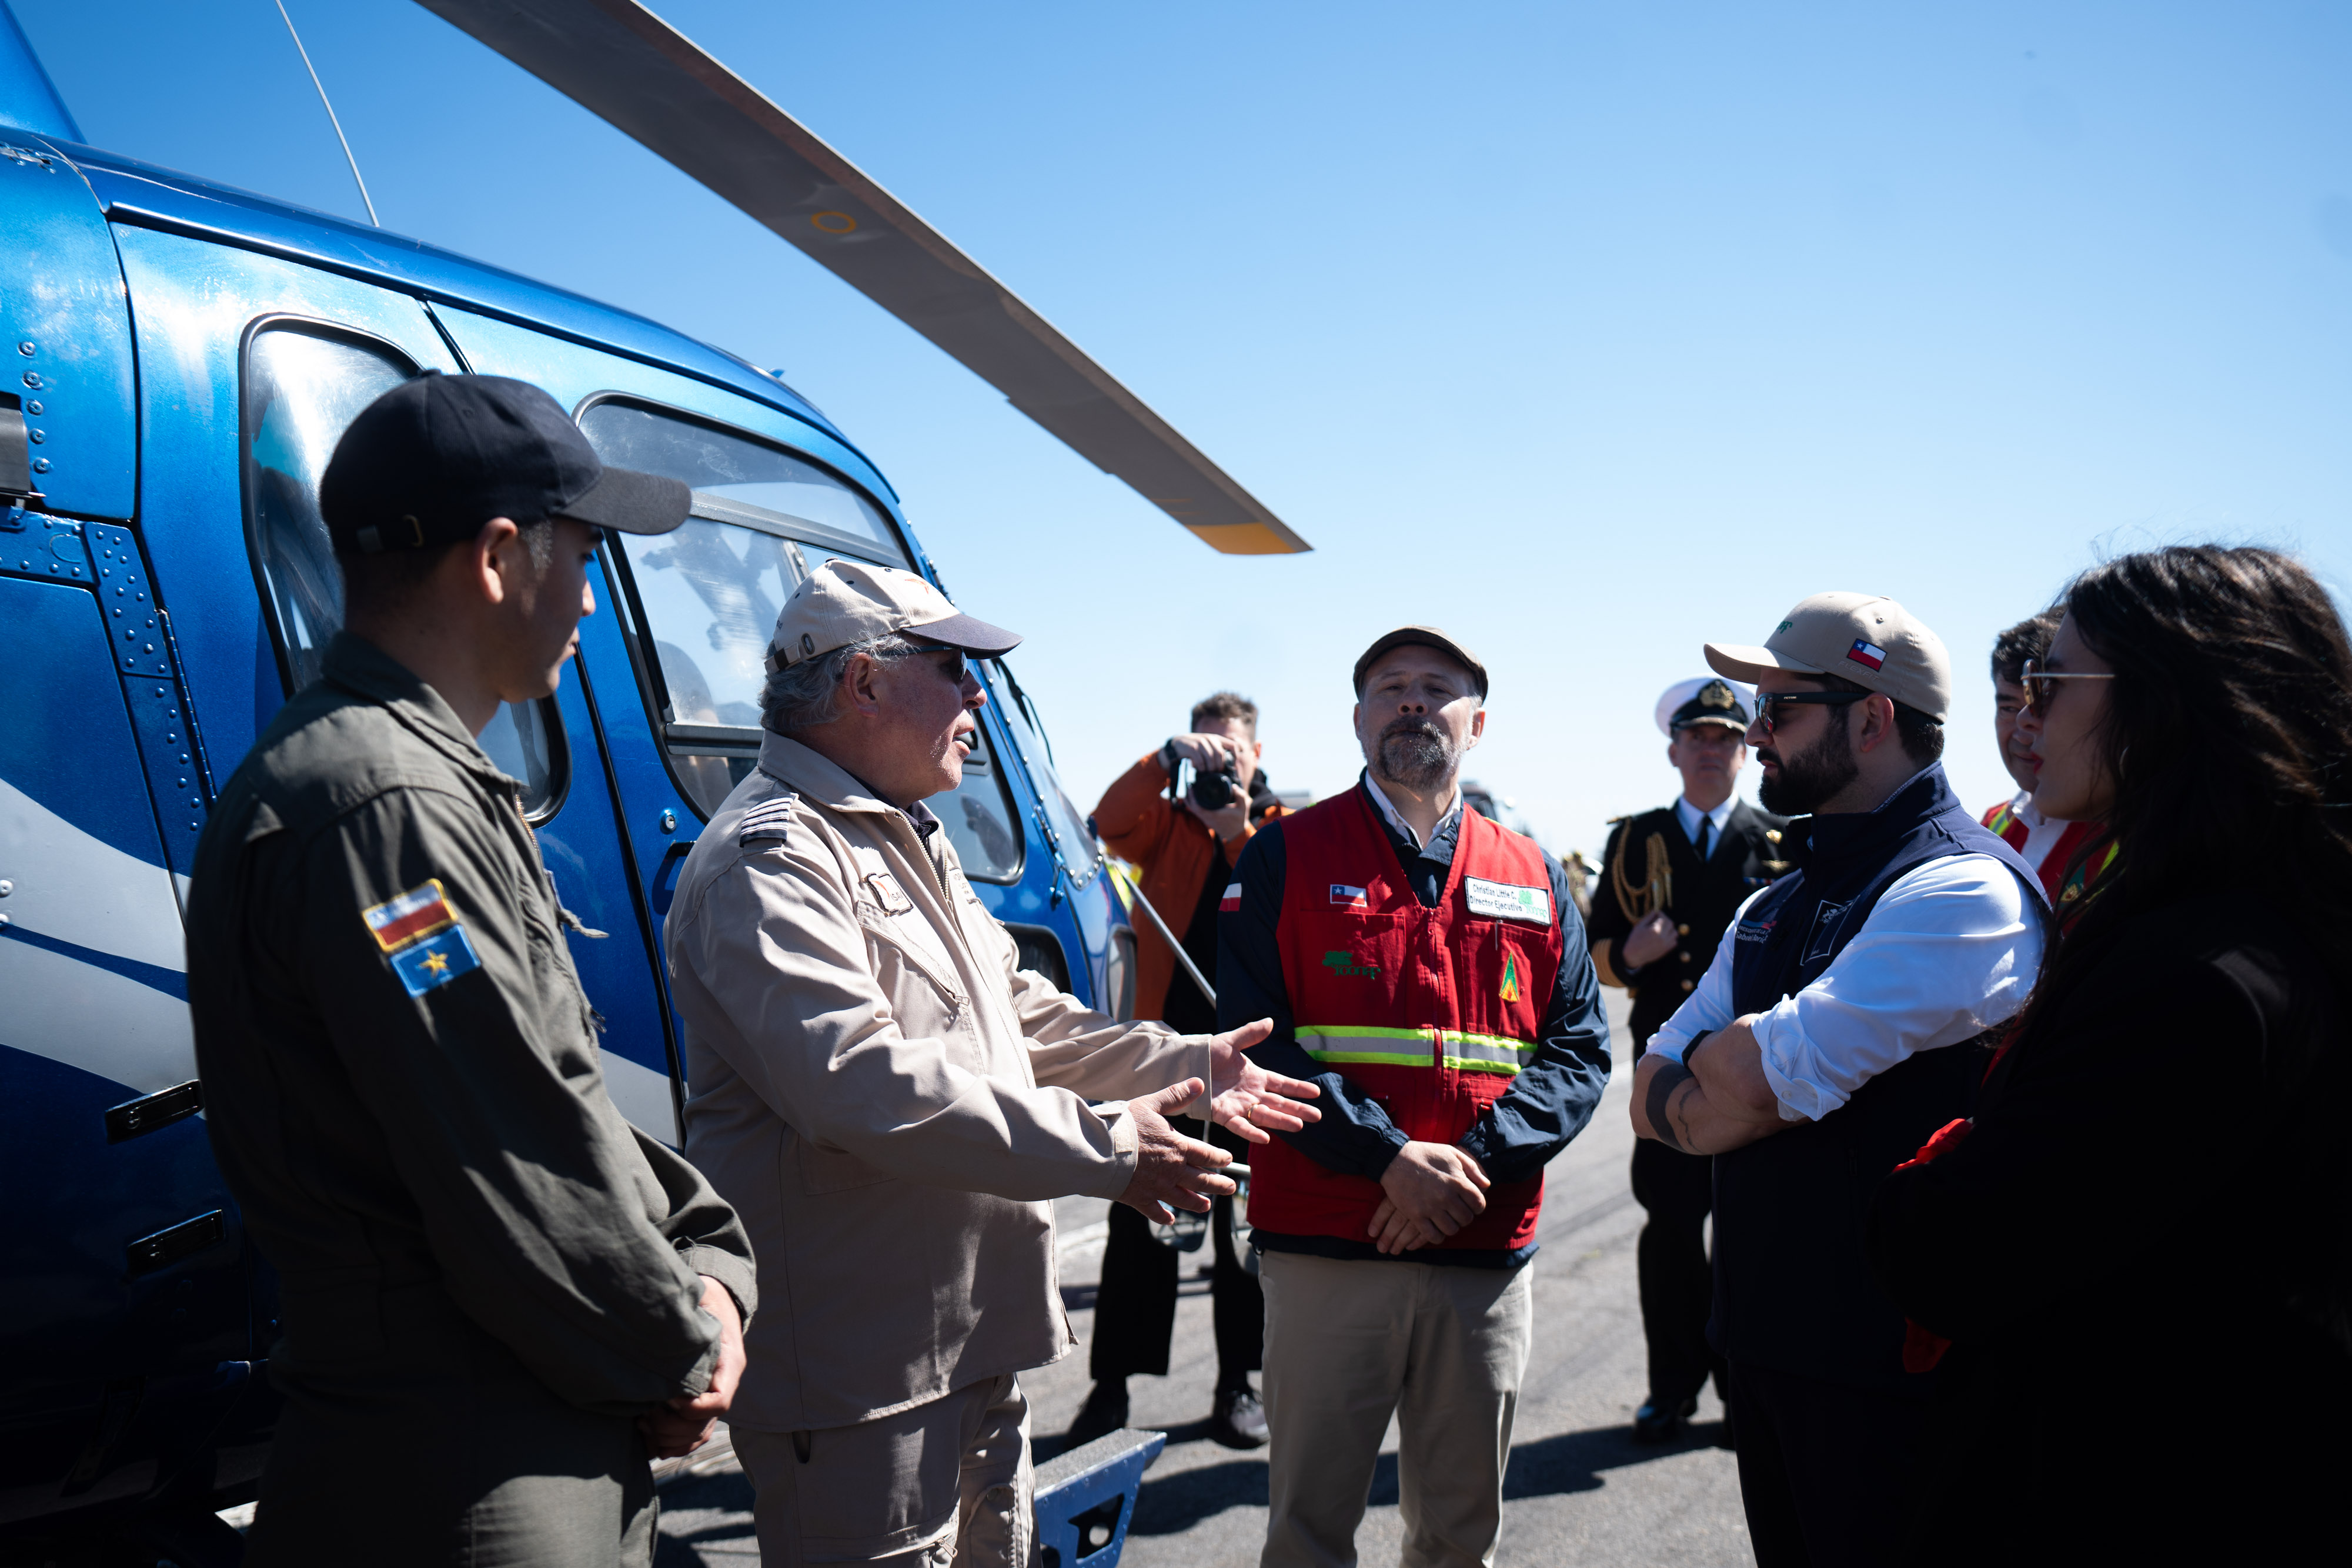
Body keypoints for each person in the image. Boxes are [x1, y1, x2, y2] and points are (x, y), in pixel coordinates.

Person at [185, 374, 758, 1567]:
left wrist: (703, 1249)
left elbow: (529, 1094)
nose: (592, 600)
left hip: (487, 1419)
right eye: (586, 554)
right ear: (500, 555)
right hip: (464, 1457)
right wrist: (679, 1343)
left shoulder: (401, 781)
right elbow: (508, 1145)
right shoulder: (385, 804)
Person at [663, 559, 1322, 1568]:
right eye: (953, 667)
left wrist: (1182, 1059)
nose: (977, 696)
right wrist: (1109, 1144)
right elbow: (858, 1081)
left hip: (968, 1348)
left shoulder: (901, 837)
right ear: (866, 683)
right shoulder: (772, 855)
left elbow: (1021, 1014)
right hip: (860, 1375)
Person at [1866, 547, 2352, 1564]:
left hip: (2128, 1487)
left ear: (2169, 704)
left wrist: (1920, 1170)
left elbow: (1960, 1254)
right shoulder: (2260, 918)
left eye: (2056, 683)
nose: (2030, 716)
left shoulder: (2197, 976)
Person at [1627, 592, 2043, 1568]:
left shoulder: (1964, 887)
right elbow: (1656, 1076)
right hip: (1765, 1347)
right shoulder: (1775, 900)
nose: (1755, 732)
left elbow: (1750, 1082)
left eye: (1780, 709)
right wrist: (1705, 1093)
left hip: (1894, 1374)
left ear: (1872, 717)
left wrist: (1711, 1088)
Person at [1220, 626, 1613, 1568]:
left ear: (1477, 721)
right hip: (1326, 1245)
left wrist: (1468, 1166)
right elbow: (1255, 1045)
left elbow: (1580, 1052)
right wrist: (1390, 1159)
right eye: (1389, 686)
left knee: (1458, 1534)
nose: (1411, 701)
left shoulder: (1535, 875)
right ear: (1358, 717)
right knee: (1309, 1532)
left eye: (1437, 687)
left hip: (1480, 1244)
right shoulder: (1280, 858)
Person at [1587, 677, 1794, 1443]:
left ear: (1747, 750)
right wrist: (1630, 954)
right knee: (1671, 1230)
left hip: (1754, 1064)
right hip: (1665, 1064)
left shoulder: (1781, 836)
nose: (1711, 750)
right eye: (1697, 737)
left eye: (1725, 738)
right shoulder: (1636, 838)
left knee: (1751, 1234)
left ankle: (1746, 1392)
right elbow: (1596, 952)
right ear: (1674, 749)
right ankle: (1670, 1387)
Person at [1078, 693, 1288, 1447]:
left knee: (1243, 1232)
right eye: (1207, 749)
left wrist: (1238, 833)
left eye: (1230, 752)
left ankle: (1240, 1383)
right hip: (1164, 1054)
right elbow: (1105, 823)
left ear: (1257, 755)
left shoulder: (1281, 834)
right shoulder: (1167, 826)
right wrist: (1166, 760)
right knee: (1138, 1219)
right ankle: (1111, 1388)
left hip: (1248, 1065)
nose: (1219, 765)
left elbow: (1284, 907)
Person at [1979, 610, 2109, 904]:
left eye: (2046, 703)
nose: (2025, 728)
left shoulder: (2137, 838)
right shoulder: (1990, 826)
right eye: (2008, 709)